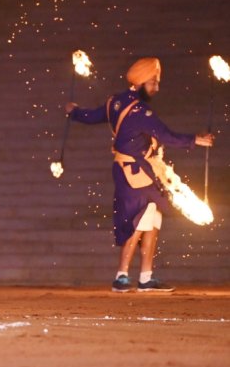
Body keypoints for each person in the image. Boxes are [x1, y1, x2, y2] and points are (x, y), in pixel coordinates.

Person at [66, 57, 214, 293]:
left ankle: (146, 277)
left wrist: (74, 112)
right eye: (153, 82)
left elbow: (91, 116)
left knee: (152, 221)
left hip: (142, 172)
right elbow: (167, 136)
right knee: (137, 222)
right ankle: (121, 276)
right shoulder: (140, 112)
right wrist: (196, 139)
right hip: (134, 172)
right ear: (141, 82)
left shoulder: (114, 101)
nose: (156, 88)